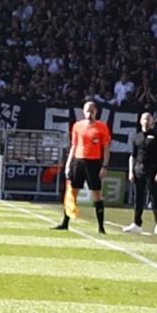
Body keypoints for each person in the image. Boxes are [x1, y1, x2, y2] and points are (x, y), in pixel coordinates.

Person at [55, 99, 111, 235]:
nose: (89, 113)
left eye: (92, 111)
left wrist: (104, 165)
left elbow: (106, 147)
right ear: (83, 112)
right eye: (87, 111)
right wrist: (68, 163)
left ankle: (101, 227)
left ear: (96, 111)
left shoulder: (102, 127)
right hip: (78, 161)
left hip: (94, 163)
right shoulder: (77, 126)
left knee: (97, 194)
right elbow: (74, 145)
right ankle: (65, 222)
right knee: (72, 193)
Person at [124, 114, 157, 234]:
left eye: (148, 119)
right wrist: (131, 171)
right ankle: (137, 223)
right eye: (144, 119)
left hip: (152, 170)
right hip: (139, 170)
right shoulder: (136, 137)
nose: (146, 121)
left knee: (154, 197)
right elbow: (132, 156)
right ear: (140, 121)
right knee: (138, 198)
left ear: (152, 122)